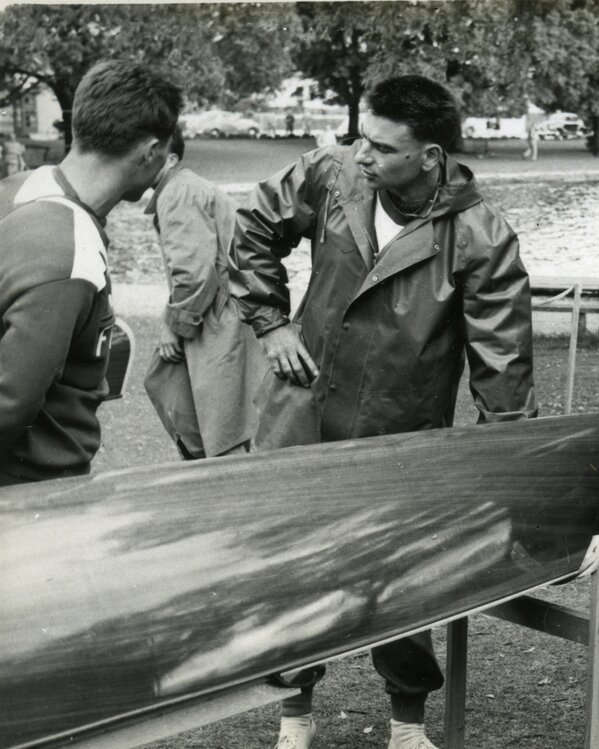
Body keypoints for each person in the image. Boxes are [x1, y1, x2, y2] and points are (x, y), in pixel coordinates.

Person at [230, 75, 536, 749]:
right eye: (361, 138)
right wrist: (271, 323)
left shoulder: (481, 236)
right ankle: (294, 715)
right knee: (293, 565)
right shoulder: (331, 172)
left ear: (429, 157)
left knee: (401, 577)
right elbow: (252, 224)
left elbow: (503, 365)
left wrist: (504, 475)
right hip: (304, 411)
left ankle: (407, 724)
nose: (362, 153)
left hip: (401, 429)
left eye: (381, 147)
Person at [0, 60, 181, 486]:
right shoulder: (71, 251)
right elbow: (9, 405)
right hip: (36, 488)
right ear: (150, 151)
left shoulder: (19, 188)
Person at [143, 127, 267, 459]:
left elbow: (194, 275)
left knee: (223, 433)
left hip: (218, 319)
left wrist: (173, 326)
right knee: (211, 420)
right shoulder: (186, 187)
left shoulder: (179, 192)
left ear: (170, 158)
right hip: (220, 313)